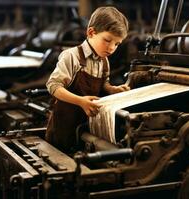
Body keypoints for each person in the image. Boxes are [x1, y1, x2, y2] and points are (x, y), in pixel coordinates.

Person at [45, 6, 130, 153]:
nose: (111, 48)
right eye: (107, 40)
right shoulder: (72, 56)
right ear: (91, 32)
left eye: (117, 44)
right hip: (64, 127)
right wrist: (80, 101)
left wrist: (112, 89)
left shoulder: (104, 61)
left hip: (87, 128)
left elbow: (103, 84)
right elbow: (53, 86)